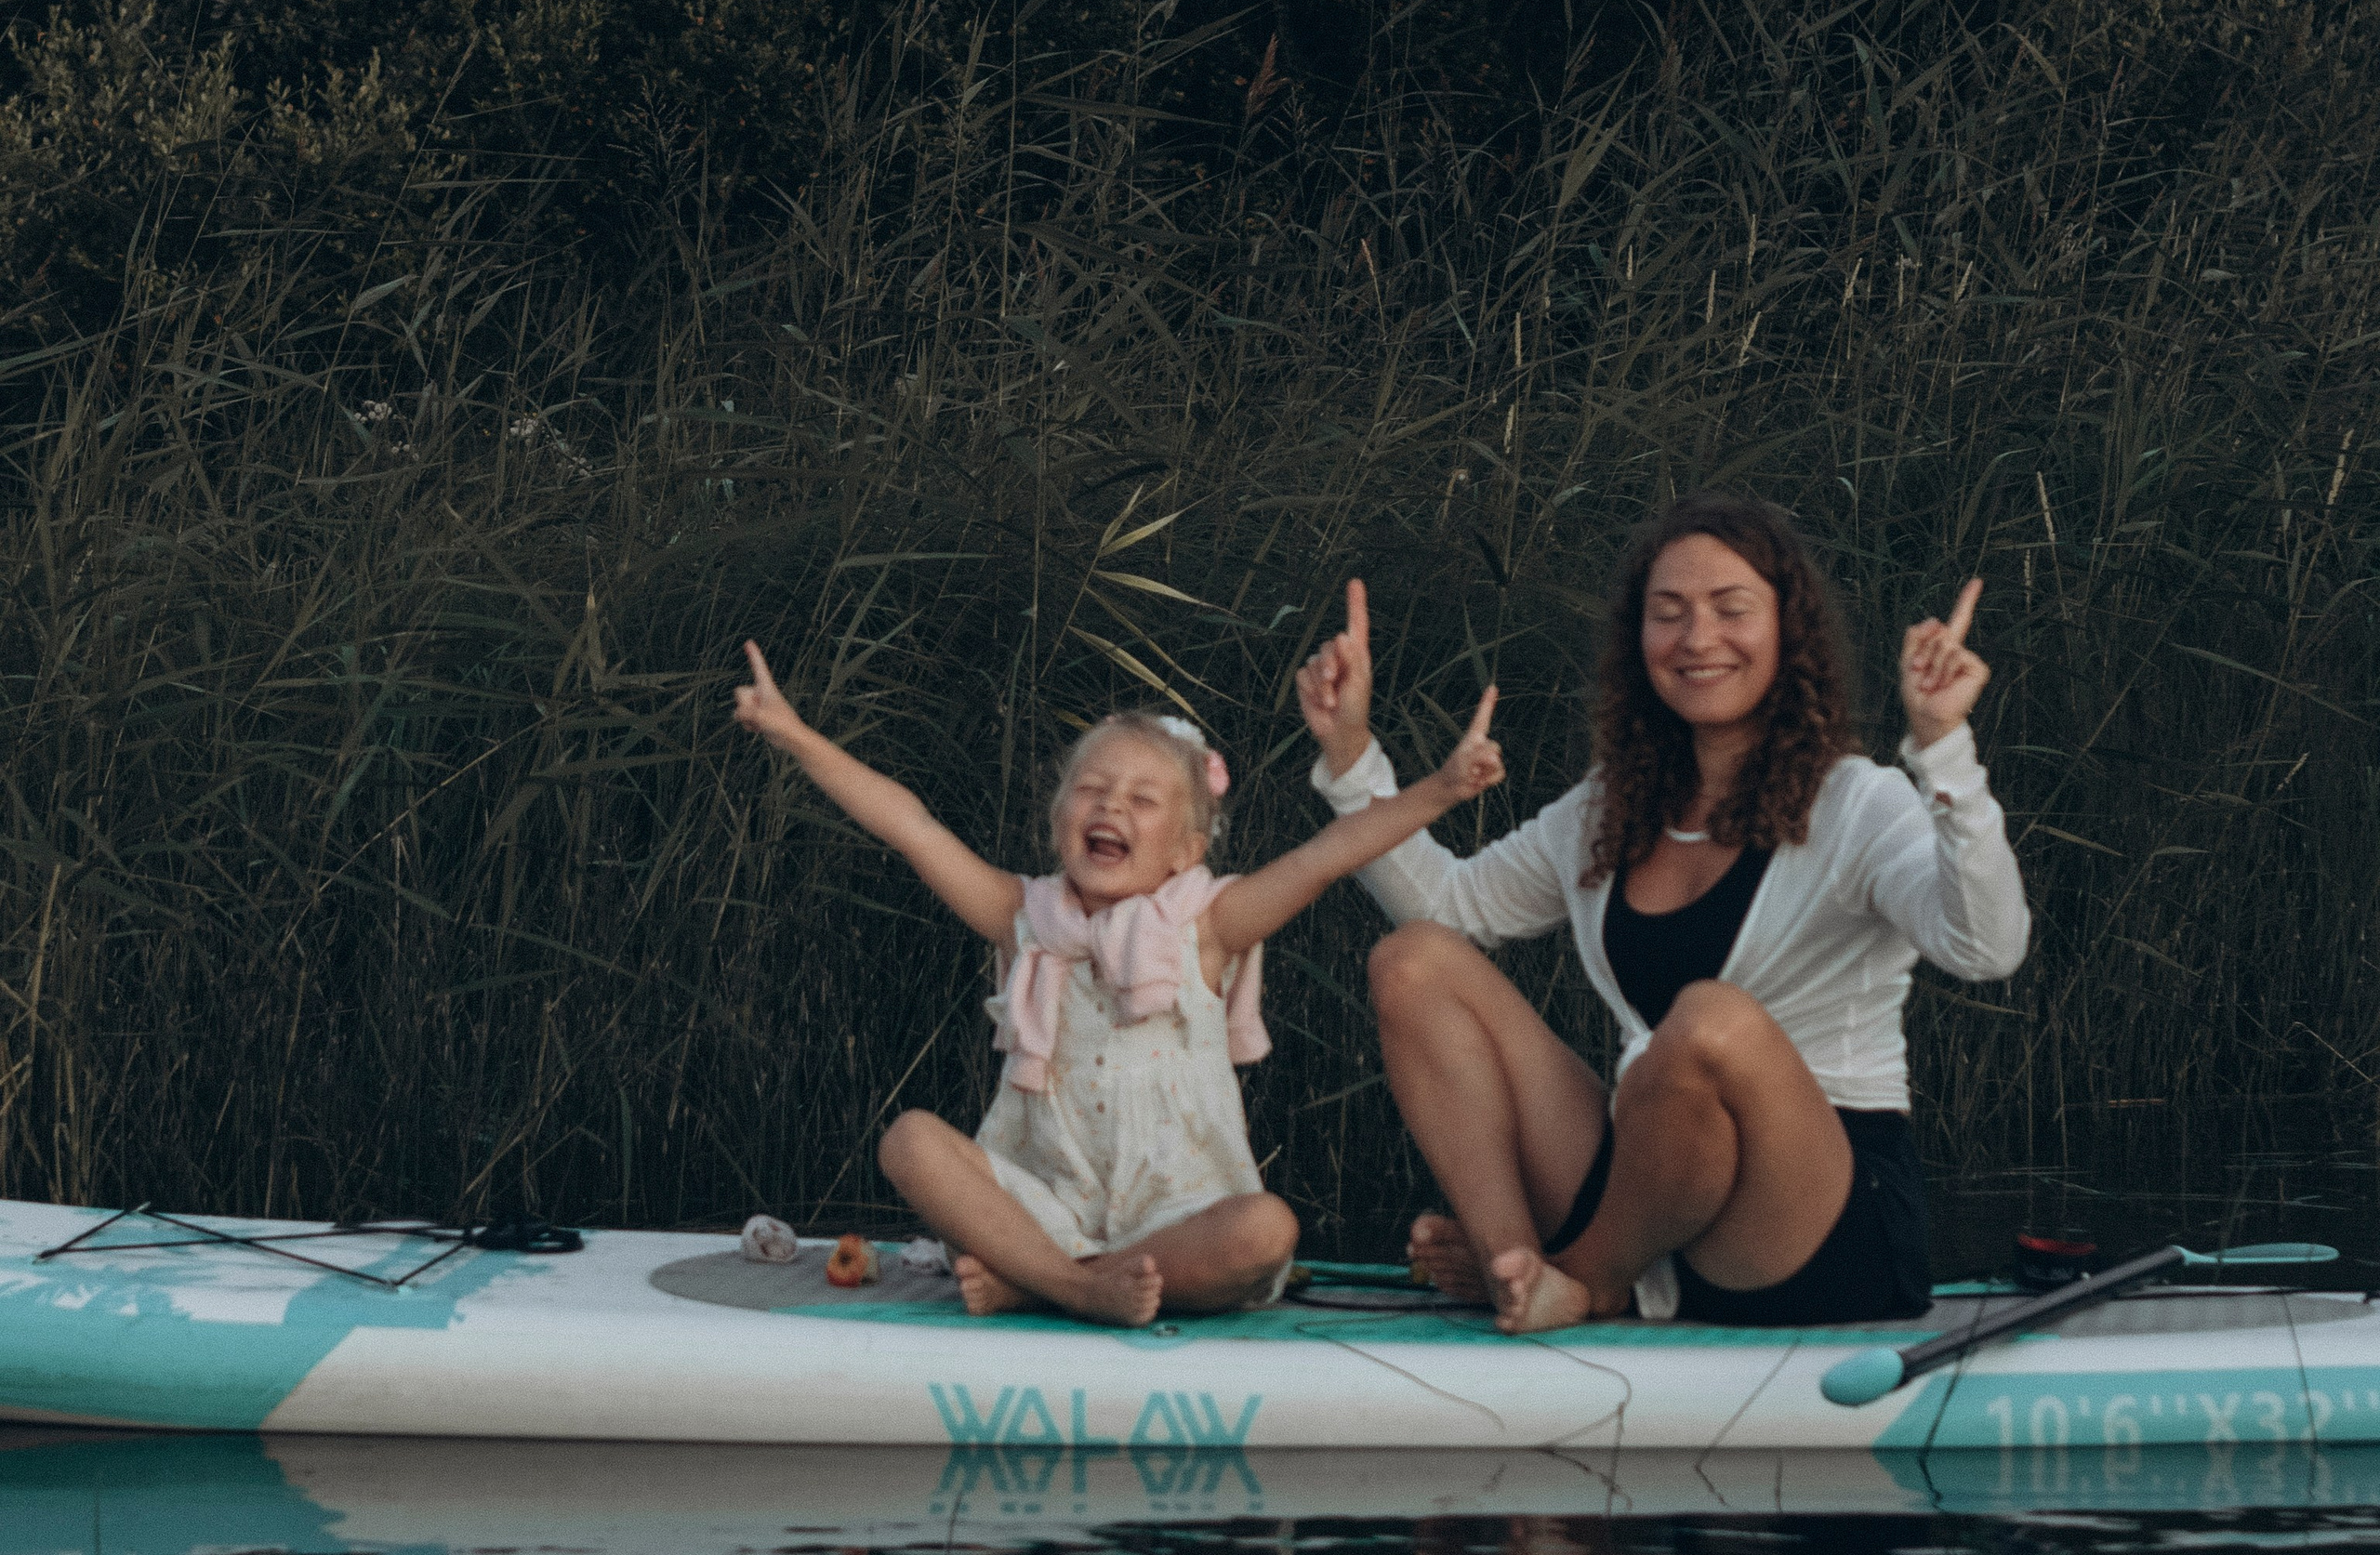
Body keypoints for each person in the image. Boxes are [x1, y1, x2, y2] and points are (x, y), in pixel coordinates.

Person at [1293, 491, 2029, 1334]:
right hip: (1654, 1196)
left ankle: (1590, 1280)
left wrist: (1942, 745)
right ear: (1638, 641)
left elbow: (1986, 947)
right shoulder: (1611, 806)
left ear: (1788, 630)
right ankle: (1517, 1272)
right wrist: (1349, 752)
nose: (1698, 639)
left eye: (1731, 609)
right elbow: (1449, 907)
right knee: (1414, 960)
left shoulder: (1861, 803)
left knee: (1709, 1023)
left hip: (1814, 1220)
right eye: (1668, 614)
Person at [732, 644, 1506, 1327]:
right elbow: (912, 826)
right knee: (910, 1143)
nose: (1110, 806)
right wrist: (795, 734)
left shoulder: (1209, 925)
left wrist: (1440, 789)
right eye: (1092, 790)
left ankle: (1043, 1288)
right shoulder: (1023, 916)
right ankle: (1067, 1281)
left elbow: (1328, 854)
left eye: (1142, 800)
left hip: (1180, 1218)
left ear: (1186, 849)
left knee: (1267, 1229)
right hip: (1044, 1210)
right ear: (1058, 815)